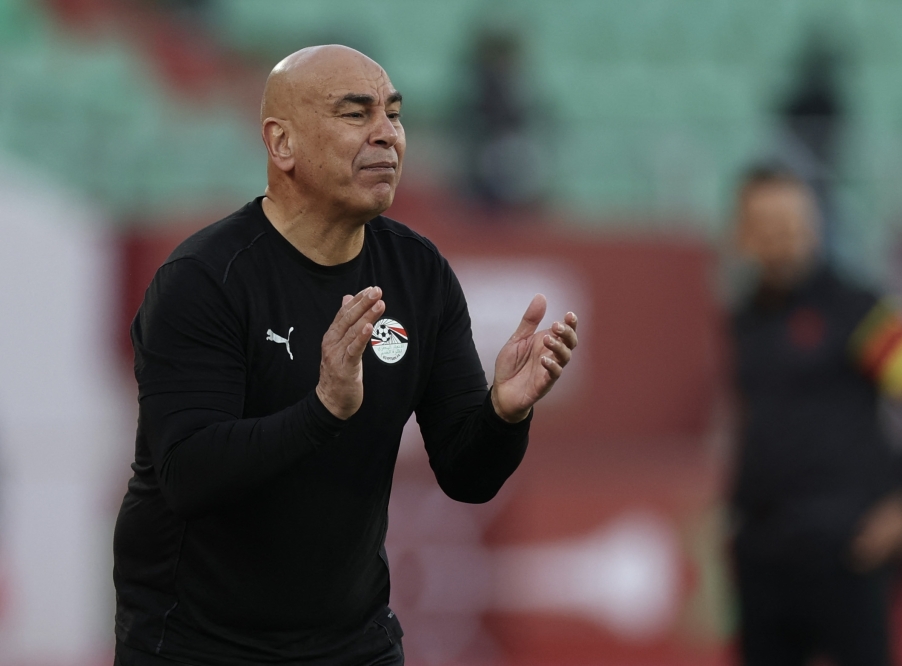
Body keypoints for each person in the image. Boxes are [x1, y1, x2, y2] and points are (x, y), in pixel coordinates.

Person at [112, 45, 578, 666]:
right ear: (282, 145)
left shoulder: (419, 273)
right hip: (198, 643)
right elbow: (189, 475)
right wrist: (324, 408)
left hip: (352, 644)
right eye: (356, 114)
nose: (387, 136)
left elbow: (468, 477)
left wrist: (504, 413)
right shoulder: (204, 279)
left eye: (394, 114)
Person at [727, 165, 902, 666]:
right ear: (741, 234)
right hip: (762, 553)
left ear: (812, 226)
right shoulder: (742, 319)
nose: (779, 238)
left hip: (845, 551)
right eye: (765, 226)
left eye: (789, 223)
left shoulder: (858, 309)